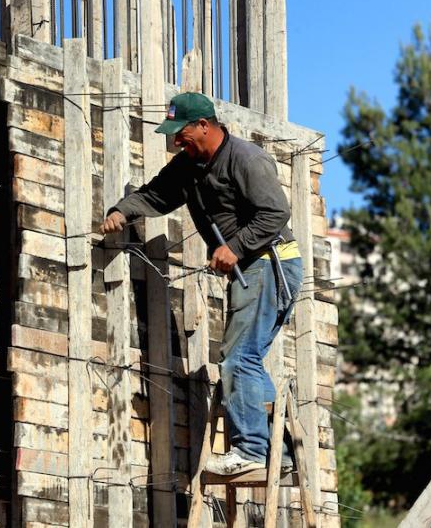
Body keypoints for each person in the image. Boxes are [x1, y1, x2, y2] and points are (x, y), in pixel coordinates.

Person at [101, 92, 302, 476]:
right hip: (251, 267)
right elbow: (156, 195)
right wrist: (121, 211)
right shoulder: (188, 166)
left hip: (270, 262)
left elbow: (276, 212)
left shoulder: (245, 159)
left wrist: (235, 247)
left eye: (182, 132)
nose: (176, 140)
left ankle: (254, 452)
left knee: (238, 357)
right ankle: (283, 452)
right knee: (247, 359)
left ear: (205, 126)